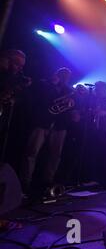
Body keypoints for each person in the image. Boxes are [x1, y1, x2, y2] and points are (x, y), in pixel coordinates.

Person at [20, 67, 75, 198]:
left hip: (59, 126)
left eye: (68, 77)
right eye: (64, 75)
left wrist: (71, 103)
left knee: (55, 155)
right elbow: (38, 99)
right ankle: (24, 183)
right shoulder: (45, 84)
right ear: (58, 74)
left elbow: (72, 106)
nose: (66, 78)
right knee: (31, 153)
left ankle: (47, 182)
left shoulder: (69, 90)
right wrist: (53, 84)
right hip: (42, 122)